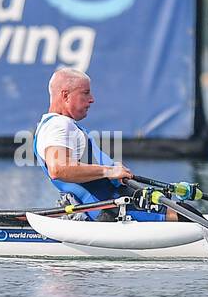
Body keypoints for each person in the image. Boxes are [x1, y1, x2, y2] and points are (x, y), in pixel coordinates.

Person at [31, 68, 172, 221]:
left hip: (115, 200)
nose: (92, 99)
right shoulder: (58, 125)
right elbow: (58, 169)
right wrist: (108, 171)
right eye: (85, 93)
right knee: (182, 215)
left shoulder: (61, 124)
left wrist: (112, 170)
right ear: (65, 95)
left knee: (184, 209)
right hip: (109, 208)